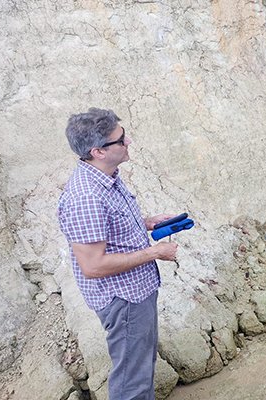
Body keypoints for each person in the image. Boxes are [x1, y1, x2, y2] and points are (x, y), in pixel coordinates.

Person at [58, 108, 178, 399]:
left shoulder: (106, 177)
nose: (129, 143)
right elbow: (93, 266)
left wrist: (147, 223)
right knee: (131, 382)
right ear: (98, 151)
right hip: (123, 301)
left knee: (139, 368)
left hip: (134, 293)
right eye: (121, 140)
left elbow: (108, 231)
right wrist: (155, 253)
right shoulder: (86, 196)